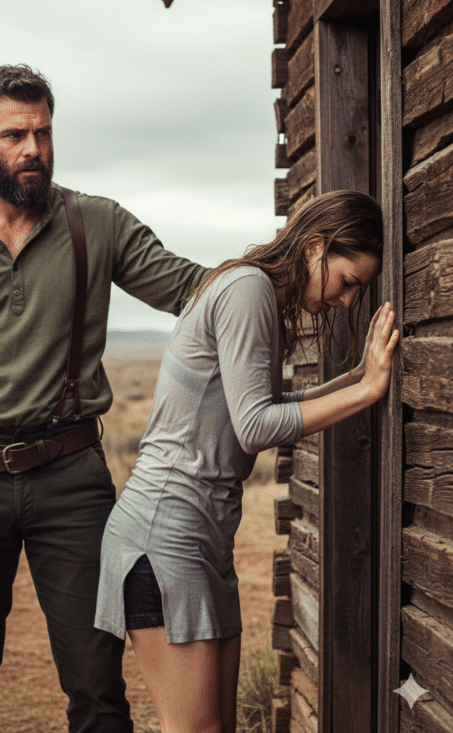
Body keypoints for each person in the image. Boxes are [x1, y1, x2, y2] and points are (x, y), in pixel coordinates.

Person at [0, 64, 210, 733]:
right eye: (15, 135)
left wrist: (289, 272)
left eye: (44, 133)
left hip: (71, 477)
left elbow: (192, 289)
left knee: (98, 688)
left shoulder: (98, 223)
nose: (33, 149)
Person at [94, 190, 399, 733]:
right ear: (316, 247)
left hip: (202, 539)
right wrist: (367, 391)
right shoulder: (247, 289)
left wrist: (355, 379)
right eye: (348, 281)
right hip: (164, 536)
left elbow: (262, 406)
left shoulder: (256, 294)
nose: (349, 300)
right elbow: (255, 426)